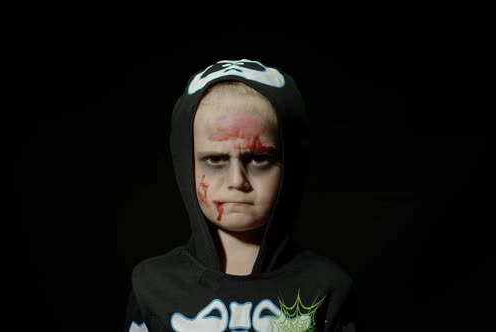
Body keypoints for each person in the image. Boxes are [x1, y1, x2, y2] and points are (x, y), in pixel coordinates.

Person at [124, 59, 359, 331]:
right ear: (186, 165)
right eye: (215, 159)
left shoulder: (326, 288)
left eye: (259, 159)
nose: (237, 181)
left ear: (291, 165)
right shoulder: (153, 285)